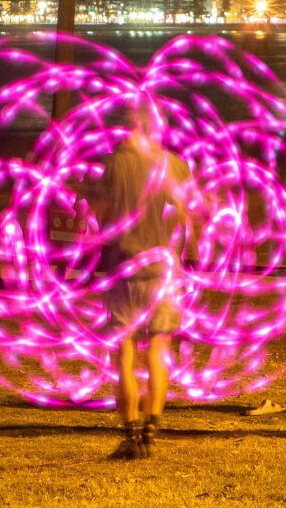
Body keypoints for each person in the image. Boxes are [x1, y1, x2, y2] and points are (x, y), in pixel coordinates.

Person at [94, 101, 193, 461]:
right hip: (163, 271)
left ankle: (131, 435)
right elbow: (185, 212)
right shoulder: (171, 163)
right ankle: (151, 431)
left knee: (123, 352)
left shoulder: (111, 166)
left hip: (123, 268)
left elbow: (99, 218)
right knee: (158, 348)